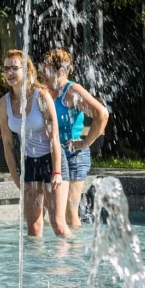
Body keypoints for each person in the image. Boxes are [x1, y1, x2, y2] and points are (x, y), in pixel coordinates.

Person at [0, 49, 71, 237]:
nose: (9, 73)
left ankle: (71, 262)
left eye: (14, 68)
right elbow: (7, 143)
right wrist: (15, 177)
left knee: (58, 224)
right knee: (33, 227)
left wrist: (56, 171)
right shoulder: (3, 104)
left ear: (27, 70)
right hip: (30, 162)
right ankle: (36, 266)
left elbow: (54, 136)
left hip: (52, 160)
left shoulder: (41, 96)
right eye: (6, 69)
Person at [40, 49, 109, 228]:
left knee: (70, 214)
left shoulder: (72, 91)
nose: (42, 74)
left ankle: (75, 253)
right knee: (51, 211)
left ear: (60, 71)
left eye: (46, 69)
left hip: (73, 155)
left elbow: (102, 114)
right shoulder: (45, 91)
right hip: (52, 155)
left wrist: (85, 143)